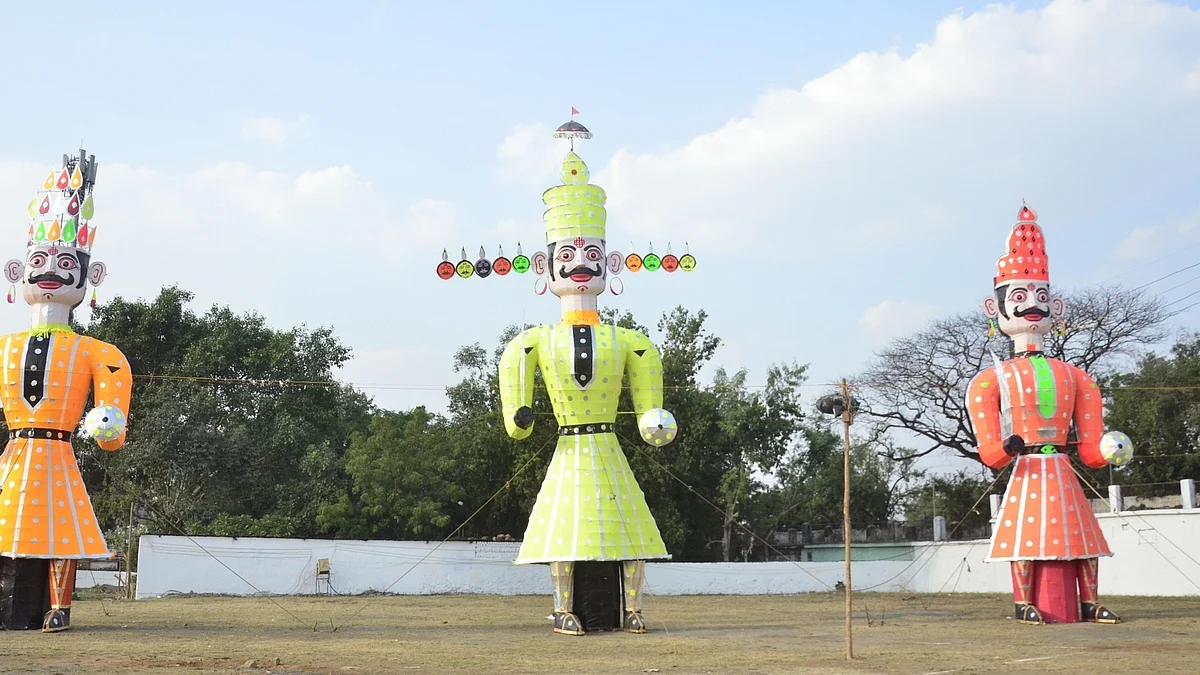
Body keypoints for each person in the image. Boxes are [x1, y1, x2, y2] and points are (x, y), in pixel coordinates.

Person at [499, 123, 676, 635]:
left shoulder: (631, 341)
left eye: (592, 255)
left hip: (606, 449)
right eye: (568, 255)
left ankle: (634, 608)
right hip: (569, 452)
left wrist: (653, 419)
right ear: (545, 266)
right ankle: (562, 607)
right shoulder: (533, 340)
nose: (580, 264)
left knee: (626, 536)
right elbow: (515, 389)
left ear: (612, 263)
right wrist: (520, 415)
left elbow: (650, 406)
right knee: (566, 534)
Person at [966, 204, 1122, 625]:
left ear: (1057, 306)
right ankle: (1024, 603)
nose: (1031, 305)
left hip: (1062, 469)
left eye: (1039, 295)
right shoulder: (988, 381)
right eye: (1018, 296)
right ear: (993, 307)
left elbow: (1091, 449)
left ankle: (1089, 601)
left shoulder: (1079, 378)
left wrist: (1111, 450)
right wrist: (1006, 446)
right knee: (1025, 539)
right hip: (1028, 470)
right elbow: (990, 452)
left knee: (1082, 539)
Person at [0, 151, 132, 633]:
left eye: (65, 263)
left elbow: (111, 419)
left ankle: (59, 608)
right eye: (38, 261)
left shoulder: (98, 351)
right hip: (14, 454)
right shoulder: (4, 348)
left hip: (57, 455)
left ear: (90, 277)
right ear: (18, 271)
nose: (50, 271)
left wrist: (108, 421)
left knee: (58, 534)